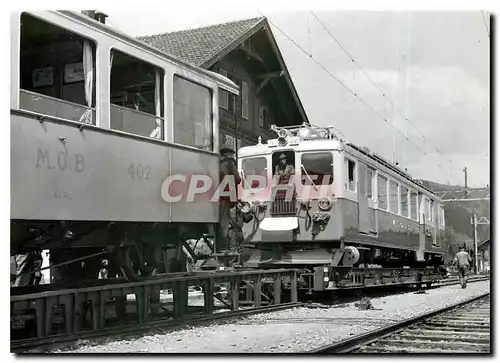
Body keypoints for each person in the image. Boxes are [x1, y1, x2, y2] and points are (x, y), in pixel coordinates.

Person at [218, 142, 241, 252]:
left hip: (217, 195)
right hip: (227, 195)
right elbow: (238, 179)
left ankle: (222, 247)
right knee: (227, 223)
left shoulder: (217, 163)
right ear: (228, 154)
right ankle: (226, 248)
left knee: (221, 221)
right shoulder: (230, 163)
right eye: (232, 153)